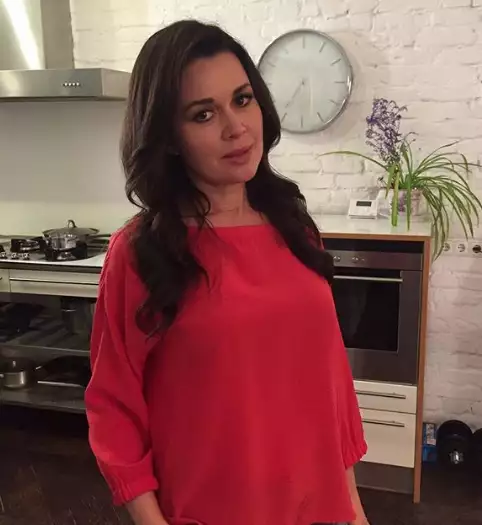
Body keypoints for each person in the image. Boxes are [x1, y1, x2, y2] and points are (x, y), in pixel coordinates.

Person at [85, 19, 369, 525]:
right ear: (169, 137)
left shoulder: (296, 229)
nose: (236, 127)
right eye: (203, 114)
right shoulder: (140, 252)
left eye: (242, 99)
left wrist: (353, 509)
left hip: (317, 507)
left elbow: (330, 387)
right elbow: (114, 407)